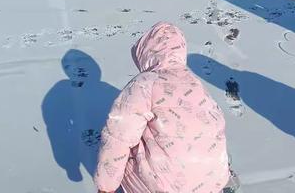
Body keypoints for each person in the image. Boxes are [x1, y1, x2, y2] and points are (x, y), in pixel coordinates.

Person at [94, 22, 230, 193]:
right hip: (212, 181)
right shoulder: (196, 84)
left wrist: (105, 186)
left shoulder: (145, 82)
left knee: (129, 141)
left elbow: (118, 136)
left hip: (163, 185)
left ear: (146, 53)